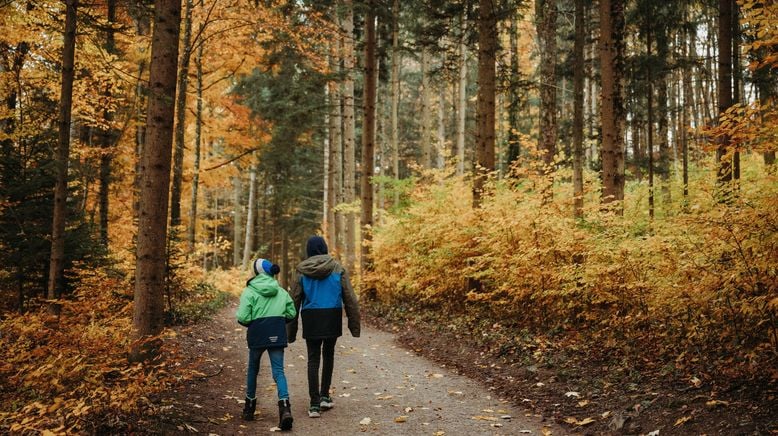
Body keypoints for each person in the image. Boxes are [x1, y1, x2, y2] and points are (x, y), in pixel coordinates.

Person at [288, 236, 361, 418]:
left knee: (313, 359)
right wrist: (354, 325)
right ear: (325, 248)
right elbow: (350, 298)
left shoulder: (302, 271)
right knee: (328, 355)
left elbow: (294, 301)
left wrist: (290, 331)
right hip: (332, 316)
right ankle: (325, 397)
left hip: (311, 318)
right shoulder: (338, 268)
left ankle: (314, 404)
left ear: (309, 250)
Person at [236, 258, 296, 430]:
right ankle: (285, 408)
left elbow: (243, 317)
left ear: (256, 273)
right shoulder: (281, 291)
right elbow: (291, 313)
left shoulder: (249, 291)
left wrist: (253, 322)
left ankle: (249, 408)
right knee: (278, 371)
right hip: (277, 333)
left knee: (253, 369)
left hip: (257, 335)